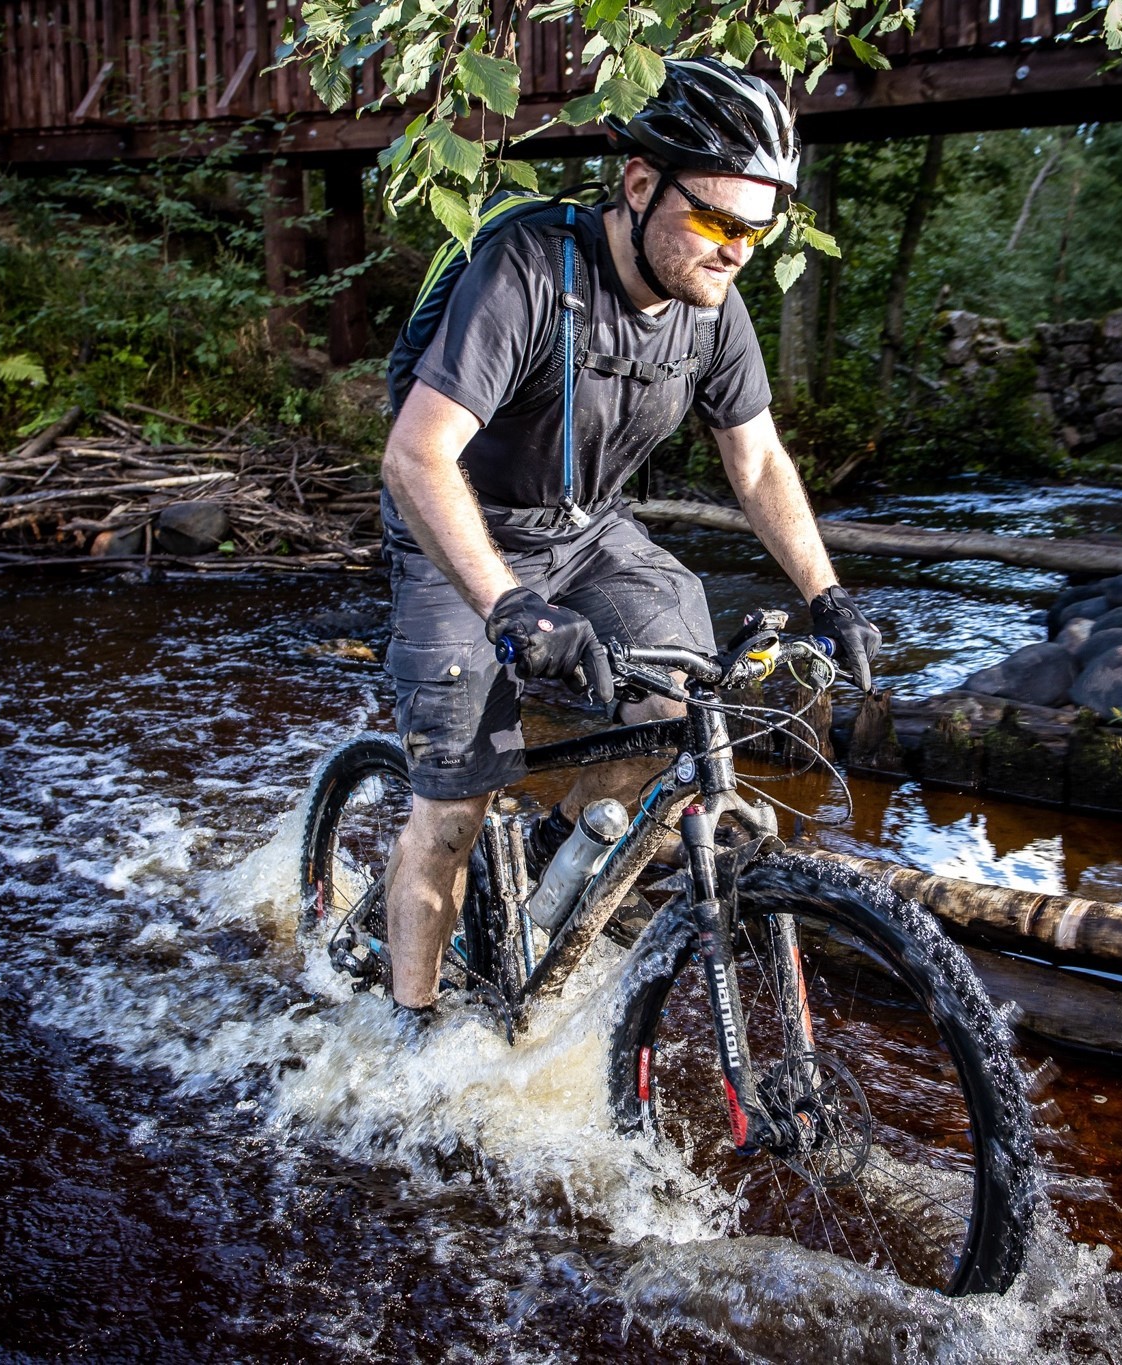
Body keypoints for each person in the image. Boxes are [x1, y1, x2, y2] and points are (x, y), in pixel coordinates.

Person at [376, 58, 882, 1013]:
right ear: (642, 183)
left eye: (756, 231)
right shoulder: (529, 273)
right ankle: (413, 1021)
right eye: (720, 222)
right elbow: (416, 460)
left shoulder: (713, 310)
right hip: (460, 532)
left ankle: (547, 882)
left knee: (682, 705)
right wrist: (509, 602)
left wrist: (828, 594)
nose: (737, 251)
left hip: (587, 531)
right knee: (450, 809)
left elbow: (761, 463)